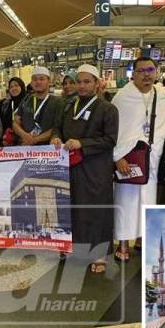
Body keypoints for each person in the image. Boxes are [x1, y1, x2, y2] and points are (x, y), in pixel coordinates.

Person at [51, 64, 119, 274]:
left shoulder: (107, 109)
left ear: (97, 83)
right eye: (78, 82)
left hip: (95, 169)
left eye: (86, 81)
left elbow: (110, 139)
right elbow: (57, 127)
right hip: (71, 168)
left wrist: (82, 143)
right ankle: (76, 248)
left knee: (96, 211)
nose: (81, 86)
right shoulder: (68, 106)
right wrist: (56, 137)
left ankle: (99, 254)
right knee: (73, 209)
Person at [113, 57, 165, 261]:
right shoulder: (122, 98)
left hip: (153, 159)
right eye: (141, 71)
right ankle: (123, 244)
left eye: (150, 69)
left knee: (149, 200)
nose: (146, 74)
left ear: (156, 72)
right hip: (128, 159)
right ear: (134, 74)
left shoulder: (164, 96)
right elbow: (113, 131)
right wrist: (117, 156)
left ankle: (142, 239)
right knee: (126, 200)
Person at [13, 66, 63, 146]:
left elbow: (57, 128)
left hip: (46, 150)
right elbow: (15, 122)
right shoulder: (27, 98)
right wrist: (25, 136)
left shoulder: (57, 102)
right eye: (35, 79)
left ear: (49, 81)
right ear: (31, 82)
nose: (38, 82)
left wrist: (35, 139)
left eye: (41, 79)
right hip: (24, 147)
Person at [0, 77, 26, 146]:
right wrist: (2, 138)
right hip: (7, 143)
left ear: (22, 87)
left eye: (16, 85)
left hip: (25, 142)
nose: (14, 88)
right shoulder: (4, 104)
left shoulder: (28, 103)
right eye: (11, 87)